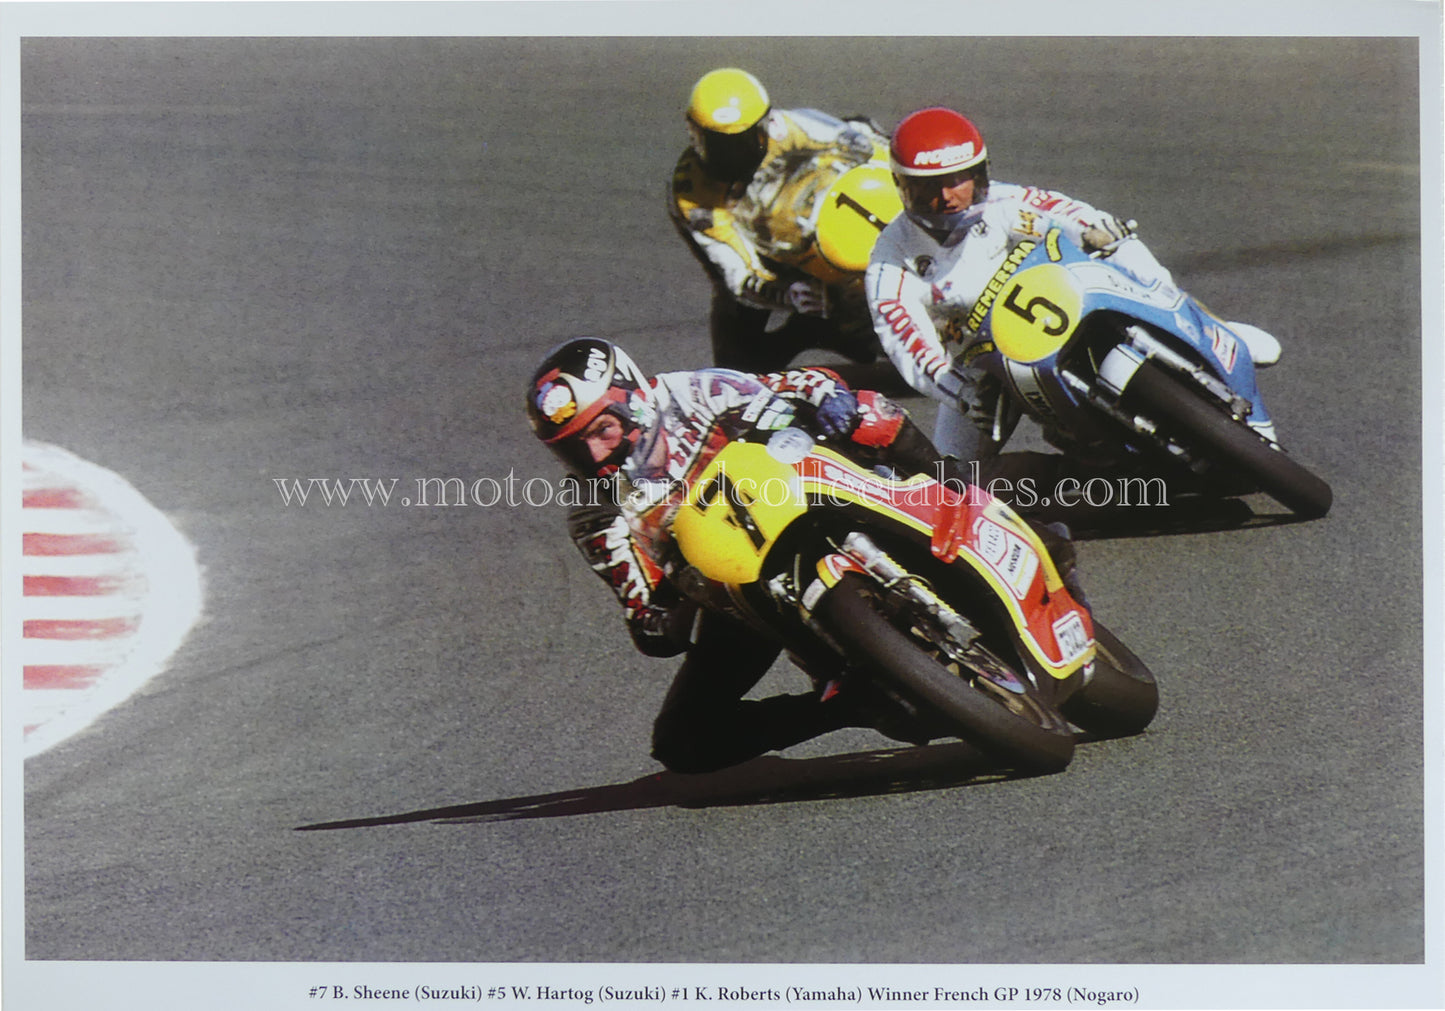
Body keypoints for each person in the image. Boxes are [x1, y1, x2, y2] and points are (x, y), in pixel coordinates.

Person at [525, 337, 962, 774]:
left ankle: (960, 492)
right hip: (732, 585)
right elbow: (641, 611)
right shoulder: (593, 508)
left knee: (865, 411)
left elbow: (795, 386)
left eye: (603, 431)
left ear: (632, 402)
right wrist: (663, 619)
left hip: (802, 496)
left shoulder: (692, 393)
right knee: (682, 741)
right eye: (574, 448)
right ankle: (851, 703)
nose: (596, 456)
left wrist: (823, 400)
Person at [864, 105, 1282, 469]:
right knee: (951, 478)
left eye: (958, 179)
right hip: (983, 364)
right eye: (927, 186)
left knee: (1121, 245)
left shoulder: (1003, 203)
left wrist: (1097, 231)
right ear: (903, 188)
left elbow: (1061, 211)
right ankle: (1086, 463)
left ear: (979, 174)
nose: (947, 197)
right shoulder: (890, 263)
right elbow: (911, 346)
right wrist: (957, 391)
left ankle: (1197, 324)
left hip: (1064, 301)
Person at [669, 67, 893, 374]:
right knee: (737, 372)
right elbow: (739, 272)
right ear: (693, 132)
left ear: (766, 124)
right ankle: (808, 330)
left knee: (876, 341)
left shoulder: (794, 127)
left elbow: (871, 146)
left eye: (742, 142)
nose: (732, 156)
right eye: (717, 144)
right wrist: (788, 293)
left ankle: (857, 326)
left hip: (845, 222)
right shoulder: (692, 193)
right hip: (777, 262)